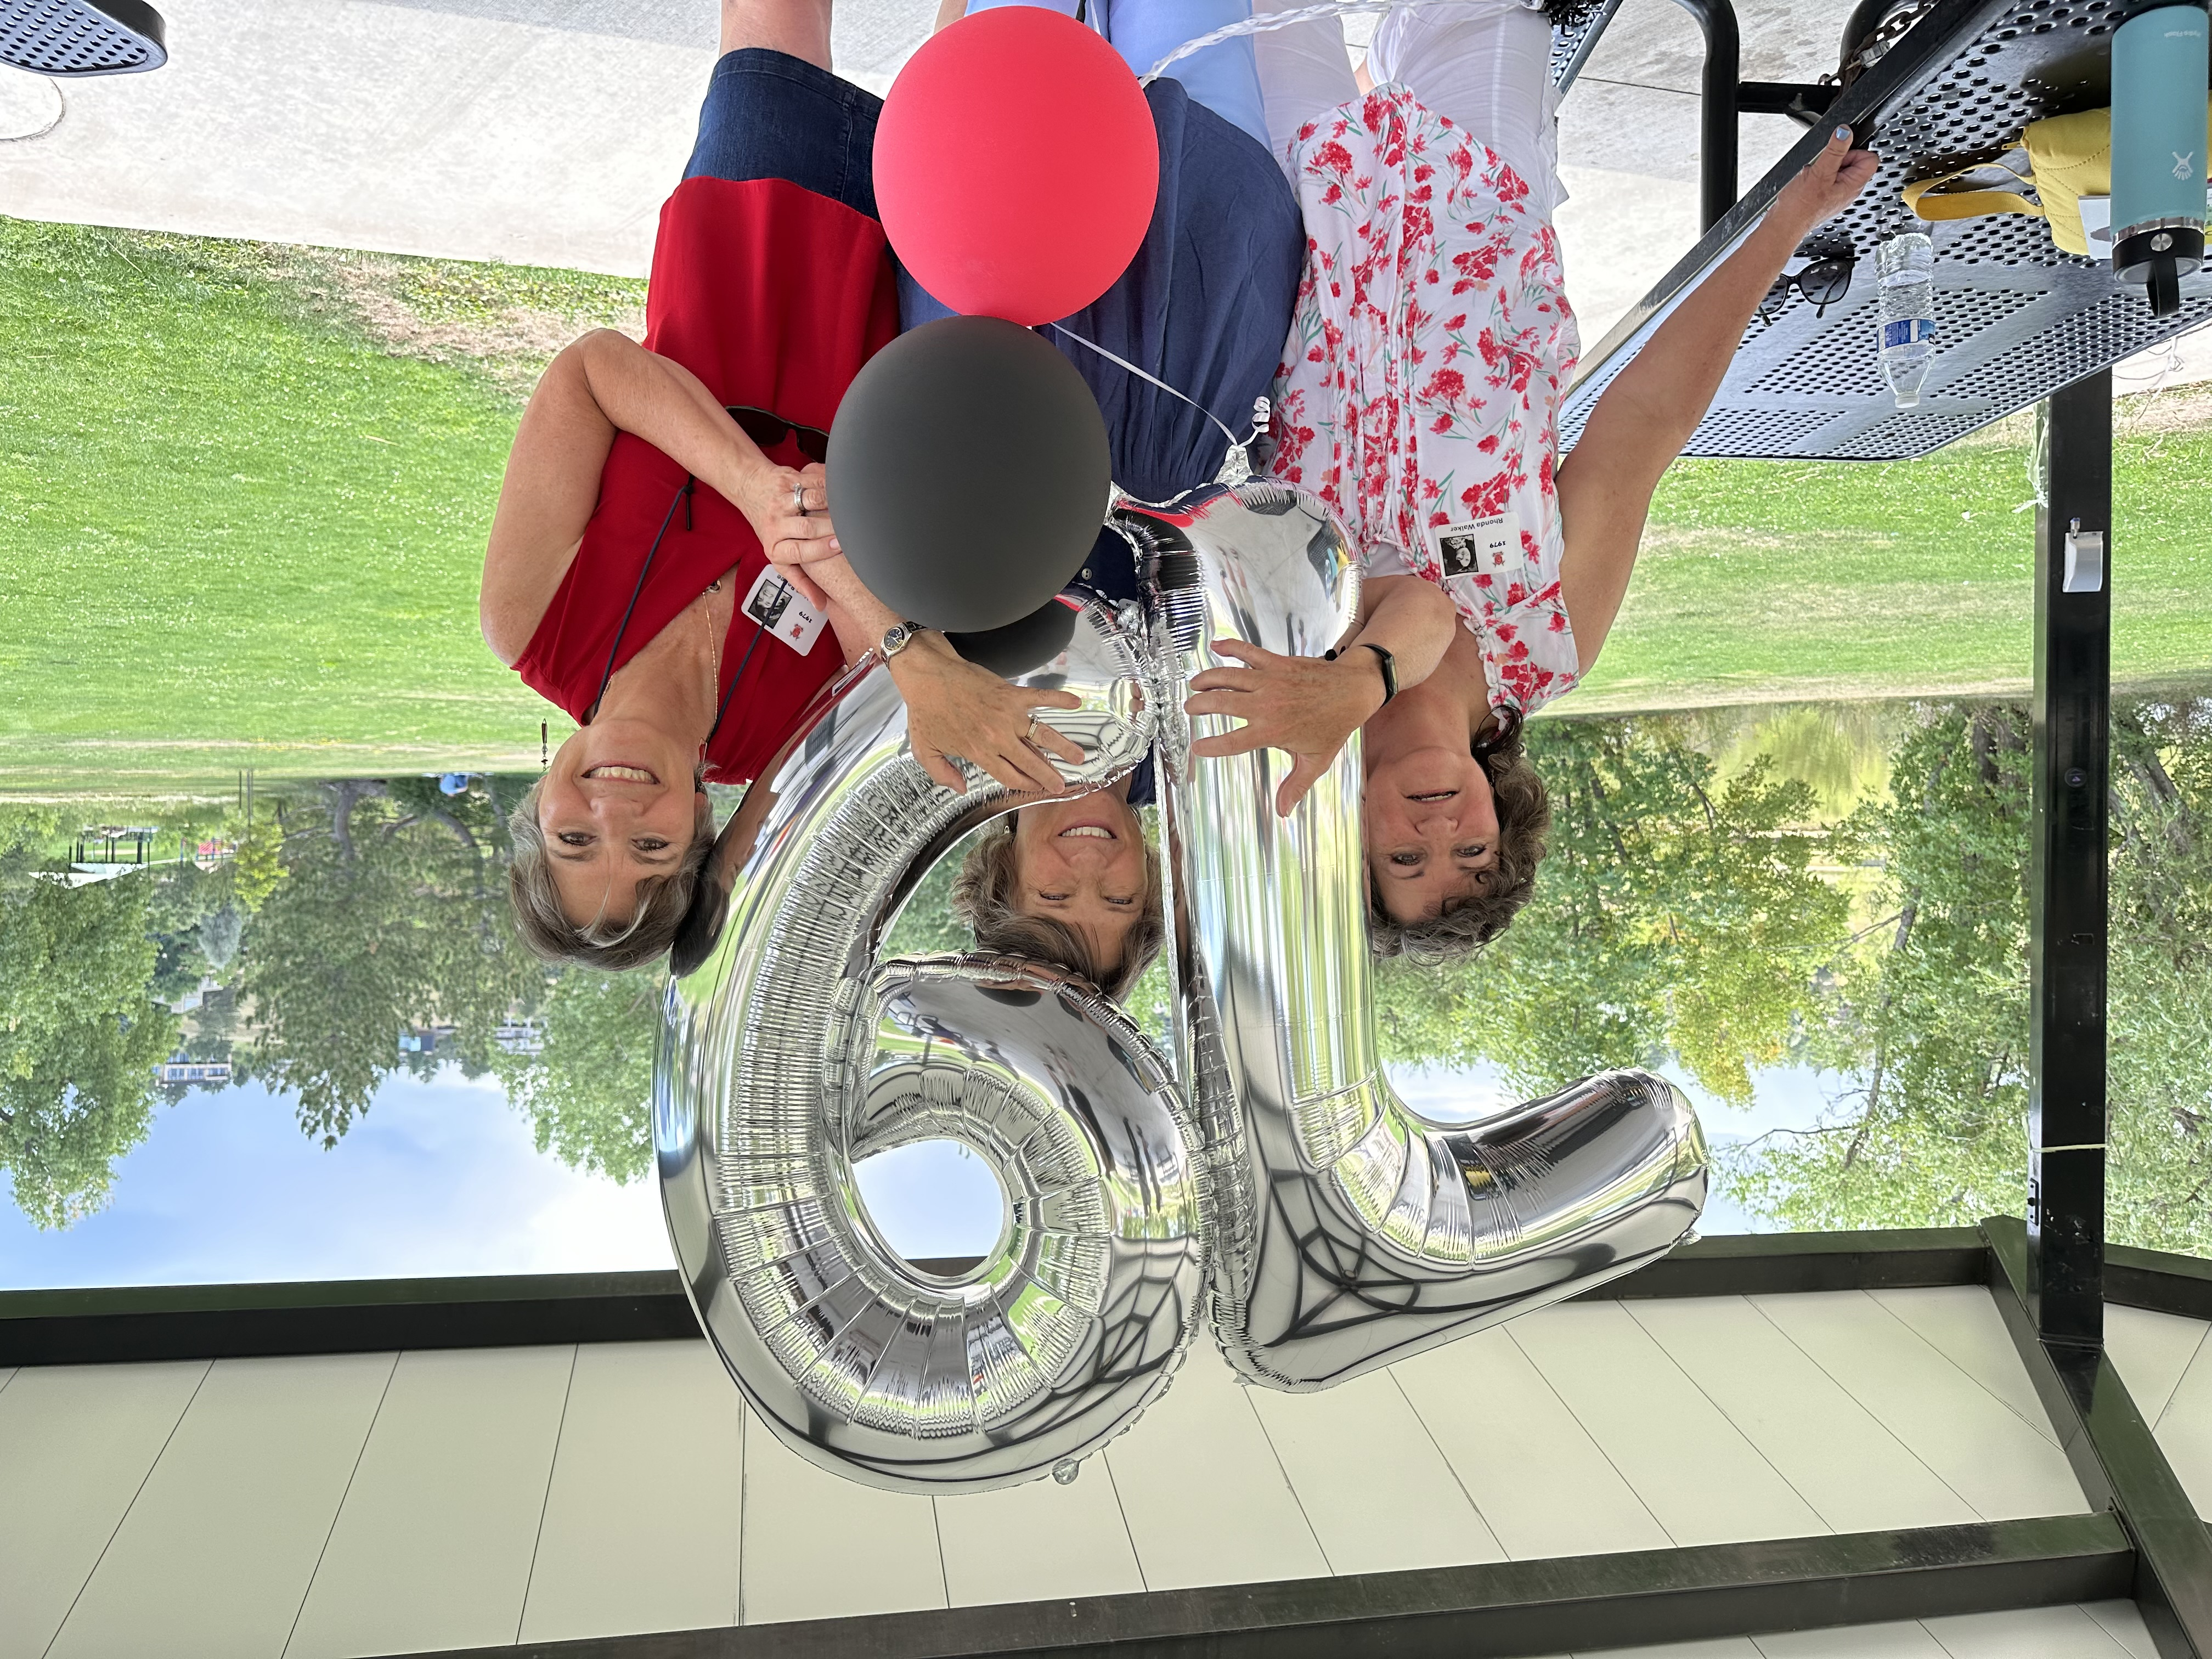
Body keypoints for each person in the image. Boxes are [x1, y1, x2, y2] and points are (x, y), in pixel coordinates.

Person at [1183, 0, 1880, 962]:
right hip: (1480, 197)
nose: (1439, 832)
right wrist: (1786, 219)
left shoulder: (1300, 654)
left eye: (1403, 858)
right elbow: (1646, 425)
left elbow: (1407, 600)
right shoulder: (1547, 644)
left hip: (1308, 217)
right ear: (1502, 821)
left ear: (1349, 837)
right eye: (1472, 851)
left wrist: (1346, 684)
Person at [481, 0, 1087, 970]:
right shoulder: (781, 739)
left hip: (748, 242)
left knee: (778, 17)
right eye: (649, 848)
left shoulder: (532, 624)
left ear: (536, 804)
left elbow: (592, 371)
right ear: (696, 830)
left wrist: (760, 492)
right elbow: (892, 644)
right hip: (914, 332)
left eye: (573, 836)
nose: (615, 808)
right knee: (967, 65)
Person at [926, 0, 1306, 997]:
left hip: (1022, 289)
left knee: (1016, 47)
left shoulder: (955, 734)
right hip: (1202, 275)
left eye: (1058, 900)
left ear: (998, 870)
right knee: (1196, 19)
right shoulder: (1199, 754)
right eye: (1122, 902)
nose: (1093, 870)